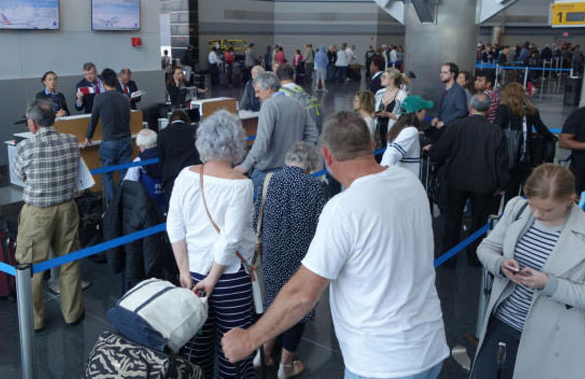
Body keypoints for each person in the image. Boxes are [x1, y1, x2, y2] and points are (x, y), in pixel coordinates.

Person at [222, 111, 449, 379]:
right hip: (430, 348)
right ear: (373, 145)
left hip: (381, 363)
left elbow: (302, 294)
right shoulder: (410, 182)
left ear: (327, 157)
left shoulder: (344, 207)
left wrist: (249, 340)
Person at [472, 164, 585, 379]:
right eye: (533, 205)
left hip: (552, 338)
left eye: (547, 210)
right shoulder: (518, 208)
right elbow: (486, 248)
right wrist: (501, 264)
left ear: (570, 200)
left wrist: (549, 285)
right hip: (501, 323)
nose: (537, 214)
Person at [167, 110, 256, 379]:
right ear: (237, 143)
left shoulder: (186, 175)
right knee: (234, 350)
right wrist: (213, 279)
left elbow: (174, 225)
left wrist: (183, 271)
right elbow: (229, 240)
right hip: (229, 279)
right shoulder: (241, 185)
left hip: (191, 275)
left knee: (196, 348)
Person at [252, 141, 327, 378]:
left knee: (274, 302)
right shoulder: (316, 187)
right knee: (297, 306)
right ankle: (286, 366)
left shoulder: (267, 181)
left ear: (288, 159)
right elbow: (322, 228)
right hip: (302, 258)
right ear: (311, 164)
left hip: (272, 253)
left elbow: (256, 222)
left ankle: (263, 352)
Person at [14, 99, 84, 331]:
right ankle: (72, 313)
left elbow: (20, 176)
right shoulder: (71, 141)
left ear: (32, 123)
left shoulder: (25, 147)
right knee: (69, 260)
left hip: (37, 213)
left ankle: (34, 320)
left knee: (31, 266)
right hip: (67, 208)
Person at [427, 93, 510, 267]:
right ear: (488, 110)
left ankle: (449, 258)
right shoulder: (496, 131)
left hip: (456, 180)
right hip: (484, 183)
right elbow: (501, 161)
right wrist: (503, 184)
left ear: (470, 107)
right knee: (479, 222)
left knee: (452, 219)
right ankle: (475, 256)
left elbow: (440, 151)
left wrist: (432, 151)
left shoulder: (457, 126)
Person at [235, 72, 319, 191]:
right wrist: (301, 160)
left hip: (268, 171)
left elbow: (262, 142)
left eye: (258, 91)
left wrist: (245, 166)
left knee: (254, 204)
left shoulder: (268, 105)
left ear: (268, 89)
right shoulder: (298, 104)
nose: (256, 96)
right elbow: (313, 135)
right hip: (295, 170)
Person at [494, 83, 557, 202]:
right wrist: (553, 137)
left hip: (508, 156)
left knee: (509, 190)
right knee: (525, 188)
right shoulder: (531, 111)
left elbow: (497, 129)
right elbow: (542, 129)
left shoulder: (503, 109)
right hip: (525, 156)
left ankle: (507, 214)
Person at [81, 68, 132, 206]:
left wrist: (87, 138)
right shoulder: (124, 98)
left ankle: (111, 207)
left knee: (107, 176)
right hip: (126, 140)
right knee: (124, 174)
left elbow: (93, 120)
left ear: (103, 83)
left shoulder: (99, 98)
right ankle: (123, 203)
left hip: (109, 142)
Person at [381, 95, 434, 177]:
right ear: (417, 112)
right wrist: (382, 175)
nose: (425, 112)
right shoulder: (411, 131)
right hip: (405, 180)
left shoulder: (397, 127)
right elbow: (392, 152)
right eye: (424, 109)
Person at [157, 109, 201, 203]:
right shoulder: (195, 130)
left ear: (170, 121)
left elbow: (161, 158)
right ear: (187, 120)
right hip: (193, 174)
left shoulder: (162, 133)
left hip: (171, 177)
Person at [123, 129, 165, 213]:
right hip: (167, 204)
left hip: (147, 208)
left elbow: (128, 184)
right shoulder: (167, 155)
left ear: (142, 146)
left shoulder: (138, 161)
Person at [373, 68, 408, 146]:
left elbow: (406, 116)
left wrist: (390, 115)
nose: (381, 79)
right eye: (382, 77)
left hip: (393, 132)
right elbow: (372, 109)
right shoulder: (379, 93)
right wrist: (376, 113)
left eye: (384, 77)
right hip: (377, 132)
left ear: (392, 80)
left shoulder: (402, 95)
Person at [431, 62, 468, 132]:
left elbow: (462, 111)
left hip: (451, 129)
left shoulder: (458, 90)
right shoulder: (445, 89)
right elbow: (444, 109)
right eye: (441, 72)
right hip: (442, 128)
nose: (441, 75)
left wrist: (445, 122)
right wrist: (437, 117)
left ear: (452, 74)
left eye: (445, 72)